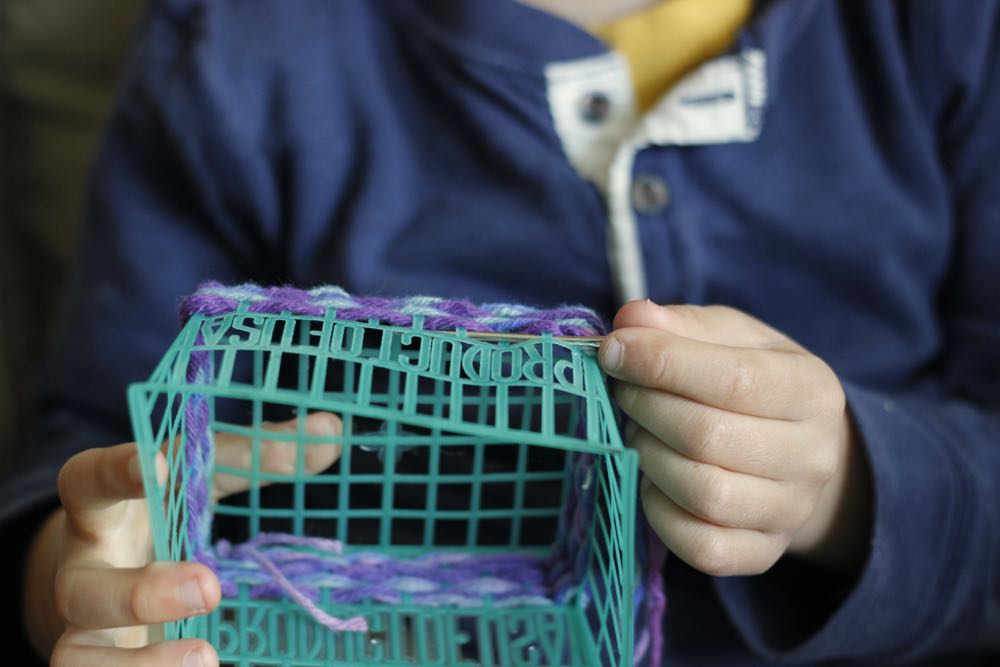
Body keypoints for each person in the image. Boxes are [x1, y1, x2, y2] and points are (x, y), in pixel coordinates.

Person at [3, 0, 999, 665]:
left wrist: (848, 481)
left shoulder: (937, 32)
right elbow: (95, 447)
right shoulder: (235, 54)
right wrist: (83, 582)